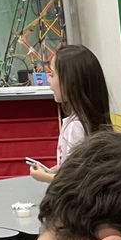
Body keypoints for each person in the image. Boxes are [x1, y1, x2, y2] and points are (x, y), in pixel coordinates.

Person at [29, 44, 112, 183]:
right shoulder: (84, 121)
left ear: (71, 83)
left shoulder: (76, 127)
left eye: (52, 75)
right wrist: (61, 168)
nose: (49, 80)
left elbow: (77, 181)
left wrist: (46, 177)